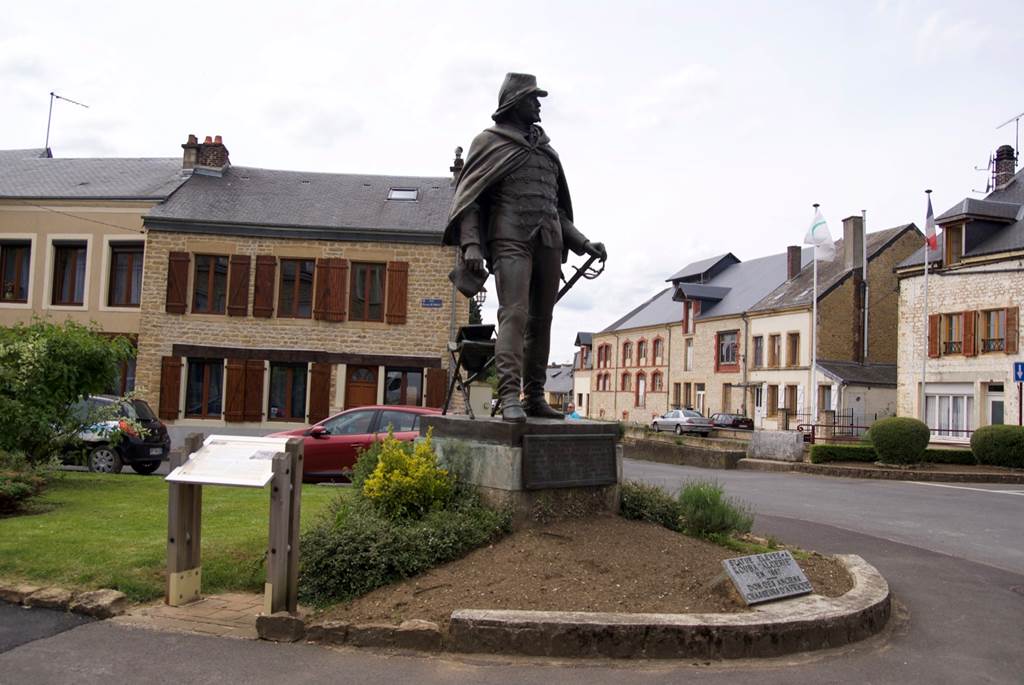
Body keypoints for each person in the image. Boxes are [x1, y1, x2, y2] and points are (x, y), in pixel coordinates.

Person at [445, 73, 607, 423]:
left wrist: (581, 242)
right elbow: (470, 200)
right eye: (533, 98)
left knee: (542, 321)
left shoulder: (548, 152)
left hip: (549, 239)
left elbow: (555, 209)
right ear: (515, 101)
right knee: (514, 314)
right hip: (510, 237)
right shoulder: (488, 142)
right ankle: (508, 395)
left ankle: (534, 395)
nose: (538, 105)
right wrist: (472, 244)